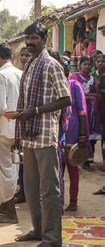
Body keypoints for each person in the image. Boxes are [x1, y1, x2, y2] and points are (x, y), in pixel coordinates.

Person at [14, 22, 71, 246]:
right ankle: (38, 230)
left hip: (45, 135)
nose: (29, 42)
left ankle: (52, 238)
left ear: (44, 40)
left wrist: (35, 111)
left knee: (49, 190)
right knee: (30, 188)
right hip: (29, 136)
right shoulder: (30, 64)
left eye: (34, 38)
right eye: (27, 38)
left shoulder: (50, 65)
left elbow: (66, 99)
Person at [0, 43, 22, 224]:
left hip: (3, 128)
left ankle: (10, 211)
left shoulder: (0, 75)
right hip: (18, 128)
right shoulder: (19, 73)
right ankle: (4, 204)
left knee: (3, 170)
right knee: (11, 168)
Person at [69, 56, 101, 172]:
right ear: (80, 65)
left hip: (92, 112)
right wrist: (90, 97)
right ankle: (75, 158)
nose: (87, 67)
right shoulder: (74, 77)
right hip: (79, 112)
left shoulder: (93, 79)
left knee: (91, 136)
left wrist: (93, 95)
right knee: (79, 133)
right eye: (84, 64)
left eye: (89, 65)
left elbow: (98, 95)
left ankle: (87, 159)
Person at [62, 79, 88, 211]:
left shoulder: (75, 85)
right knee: (57, 170)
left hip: (73, 131)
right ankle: (58, 200)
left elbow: (82, 110)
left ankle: (73, 201)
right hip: (58, 132)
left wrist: (82, 134)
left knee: (72, 166)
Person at [15, 46, 32, 204]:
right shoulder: (21, 73)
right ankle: (23, 191)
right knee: (22, 162)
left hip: (31, 122)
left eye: (27, 55)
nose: (25, 57)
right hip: (21, 122)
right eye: (22, 55)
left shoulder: (31, 73)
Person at [91, 54, 105, 172]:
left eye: (103, 61)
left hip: (103, 107)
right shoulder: (92, 75)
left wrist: (99, 90)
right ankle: (90, 159)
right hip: (94, 108)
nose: (100, 63)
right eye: (98, 61)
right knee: (93, 133)